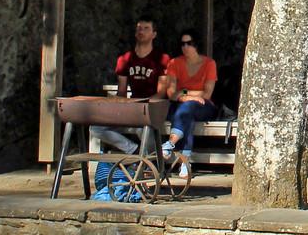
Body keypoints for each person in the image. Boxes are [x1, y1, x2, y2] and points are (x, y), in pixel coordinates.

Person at [92, 17, 169, 155]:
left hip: (153, 107)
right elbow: (122, 91)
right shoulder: (125, 59)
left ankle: (153, 160)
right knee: (96, 128)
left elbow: (162, 92)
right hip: (132, 108)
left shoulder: (162, 58)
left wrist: (144, 104)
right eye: (139, 28)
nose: (142, 31)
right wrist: (112, 106)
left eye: (146, 29)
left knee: (143, 129)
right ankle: (133, 150)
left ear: (154, 34)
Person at [161, 31, 218, 178]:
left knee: (187, 109)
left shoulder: (209, 64)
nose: (185, 47)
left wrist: (184, 93)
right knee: (187, 117)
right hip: (180, 106)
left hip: (203, 106)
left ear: (196, 44)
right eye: (182, 44)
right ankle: (185, 163)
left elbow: (206, 94)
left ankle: (171, 142)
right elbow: (171, 93)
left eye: (189, 43)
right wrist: (186, 97)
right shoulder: (174, 63)